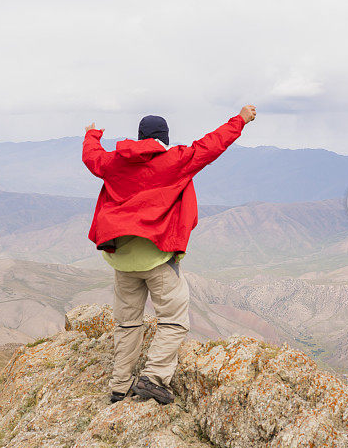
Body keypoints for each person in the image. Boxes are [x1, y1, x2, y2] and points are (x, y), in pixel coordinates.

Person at [82, 105, 257, 404]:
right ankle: (153, 377)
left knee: (127, 323)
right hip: (157, 258)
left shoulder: (114, 163)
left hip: (122, 258)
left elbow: (92, 157)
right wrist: (240, 119)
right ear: (164, 138)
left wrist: (92, 134)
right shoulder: (174, 161)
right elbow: (212, 145)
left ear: (139, 137)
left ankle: (119, 387)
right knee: (174, 321)